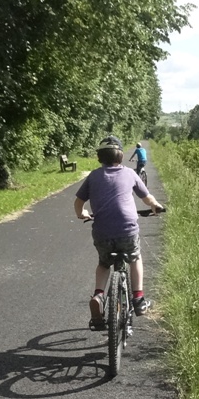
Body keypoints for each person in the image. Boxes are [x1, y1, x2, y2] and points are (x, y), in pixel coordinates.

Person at [74, 135, 164, 330]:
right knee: (135, 258)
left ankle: (99, 295)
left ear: (100, 157)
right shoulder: (130, 173)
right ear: (121, 155)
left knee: (104, 264)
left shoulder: (93, 176)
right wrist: (156, 206)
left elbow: (78, 203)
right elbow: (147, 197)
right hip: (127, 230)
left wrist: (82, 214)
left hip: (102, 232)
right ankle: (138, 299)